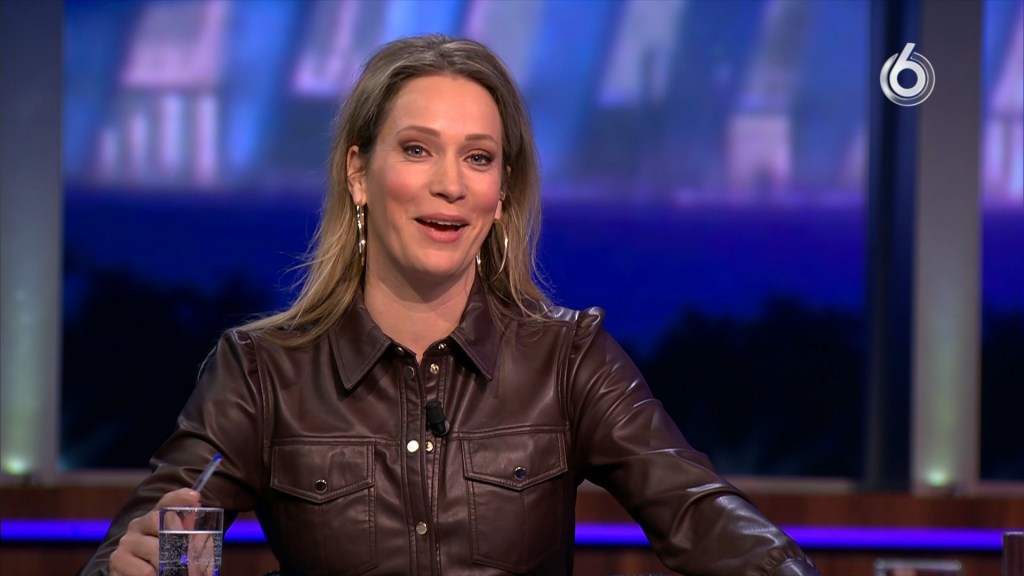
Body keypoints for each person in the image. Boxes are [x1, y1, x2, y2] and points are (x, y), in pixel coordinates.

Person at [81, 34, 820, 576]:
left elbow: (701, 514)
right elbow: (134, 545)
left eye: (477, 157)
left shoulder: (567, 360)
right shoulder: (261, 372)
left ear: (501, 193)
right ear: (359, 174)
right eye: (417, 149)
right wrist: (129, 564)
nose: (451, 184)